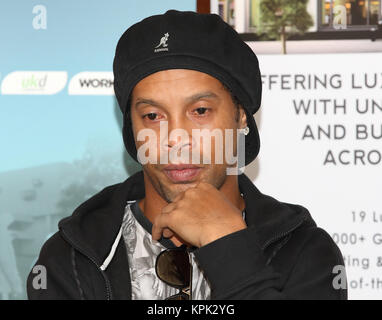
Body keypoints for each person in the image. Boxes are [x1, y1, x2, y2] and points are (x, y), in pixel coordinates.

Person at [27, 10, 347, 300]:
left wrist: (226, 244)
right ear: (132, 129)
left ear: (241, 117)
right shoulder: (72, 257)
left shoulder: (304, 251)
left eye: (200, 110)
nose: (177, 139)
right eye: (153, 116)